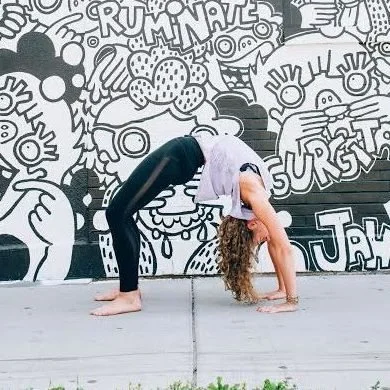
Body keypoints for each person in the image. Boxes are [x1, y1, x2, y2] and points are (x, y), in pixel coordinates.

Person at [91, 135, 298, 316]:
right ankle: (128, 291)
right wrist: (290, 301)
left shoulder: (255, 200)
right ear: (252, 223)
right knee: (119, 213)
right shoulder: (255, 194)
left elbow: (277, 245)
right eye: (262, 240)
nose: (266, 238)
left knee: (118, 213)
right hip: (179, 154)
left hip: (182, 156)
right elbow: (283, 247)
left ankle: (129, 294)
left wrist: (282, 289)